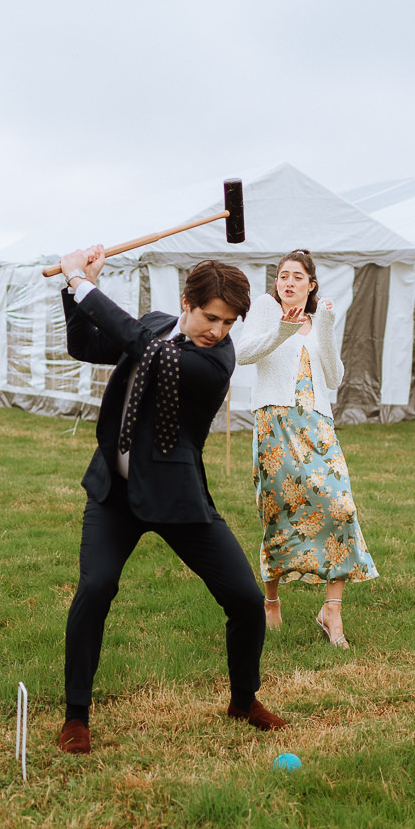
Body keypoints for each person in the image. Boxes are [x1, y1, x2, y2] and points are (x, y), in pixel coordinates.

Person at [55, 245, 285, 754]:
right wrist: (74, 293)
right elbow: (87, 345)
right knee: (95, 588)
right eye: (211, 317)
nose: (220, 331)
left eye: (229, 322)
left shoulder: (213, 361)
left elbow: (139, 343)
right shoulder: (158, 324)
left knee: (246, 601)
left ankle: (244, 700)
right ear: (187, 302)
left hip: (175, 496)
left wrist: (84, 283)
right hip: (114, 493)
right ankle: (76, 715)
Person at [234, 250, 377, 647]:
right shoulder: (265, 309)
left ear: (311, 285)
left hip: (317, 424)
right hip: (274, 424)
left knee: (340, 505)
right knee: (279, 511)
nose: (289, 283)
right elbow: (243, 354)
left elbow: (333, 377)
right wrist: (282, 329)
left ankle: (332, 608)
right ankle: (271, 602)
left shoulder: (319, 322)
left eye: (298, 277)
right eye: (283, 276)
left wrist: (327, 327)